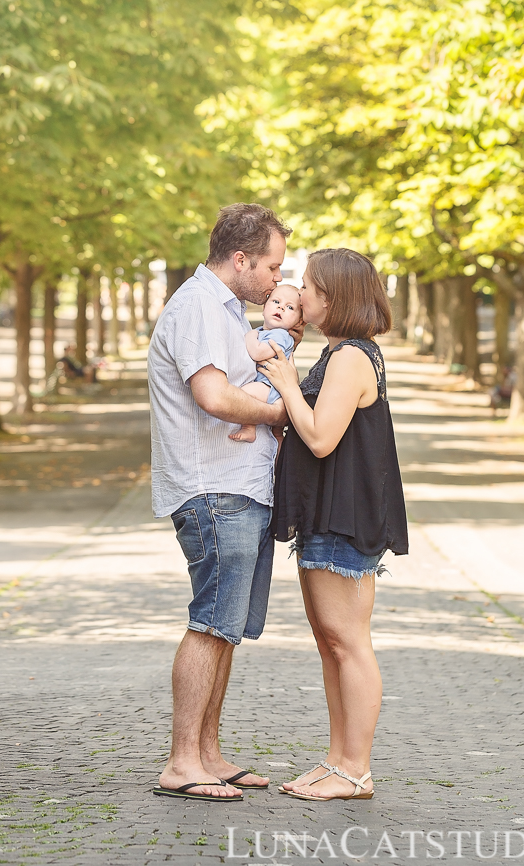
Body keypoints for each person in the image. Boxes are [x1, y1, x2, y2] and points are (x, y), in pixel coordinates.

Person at [148, 203, 300, 803]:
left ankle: (208, 753)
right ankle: (183, 760)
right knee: (211, 622)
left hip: (239, 485)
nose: (275, 280)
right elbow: (212, 395)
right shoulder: (198, 308)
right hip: (214, 488)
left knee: (226, 628)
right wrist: (276, 413)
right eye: (272, 266)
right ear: (240, 259)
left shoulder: (226, 310)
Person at [261, 247, 408, 802]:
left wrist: (286, 381)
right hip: (328, 513)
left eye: (312, 285)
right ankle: (337, 760)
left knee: (348, 643)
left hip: (344, 518)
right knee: (331, 644)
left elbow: (321, 436)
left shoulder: (350, 358)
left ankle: (356, 770)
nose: (302, 293)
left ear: (335, 296)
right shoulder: (342, 352)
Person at [228, 284, 302, 444]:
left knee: (245, 393)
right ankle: (278, 462)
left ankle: (249, 427)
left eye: (290, 307)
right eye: (276, 302)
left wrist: (250, 336)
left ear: (298, 321)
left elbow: (258, 353)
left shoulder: (281, 335)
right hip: (272, 387)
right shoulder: (267, 332)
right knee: (277, 435)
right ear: (264, 308)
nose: (281, 307)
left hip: (270, 387)